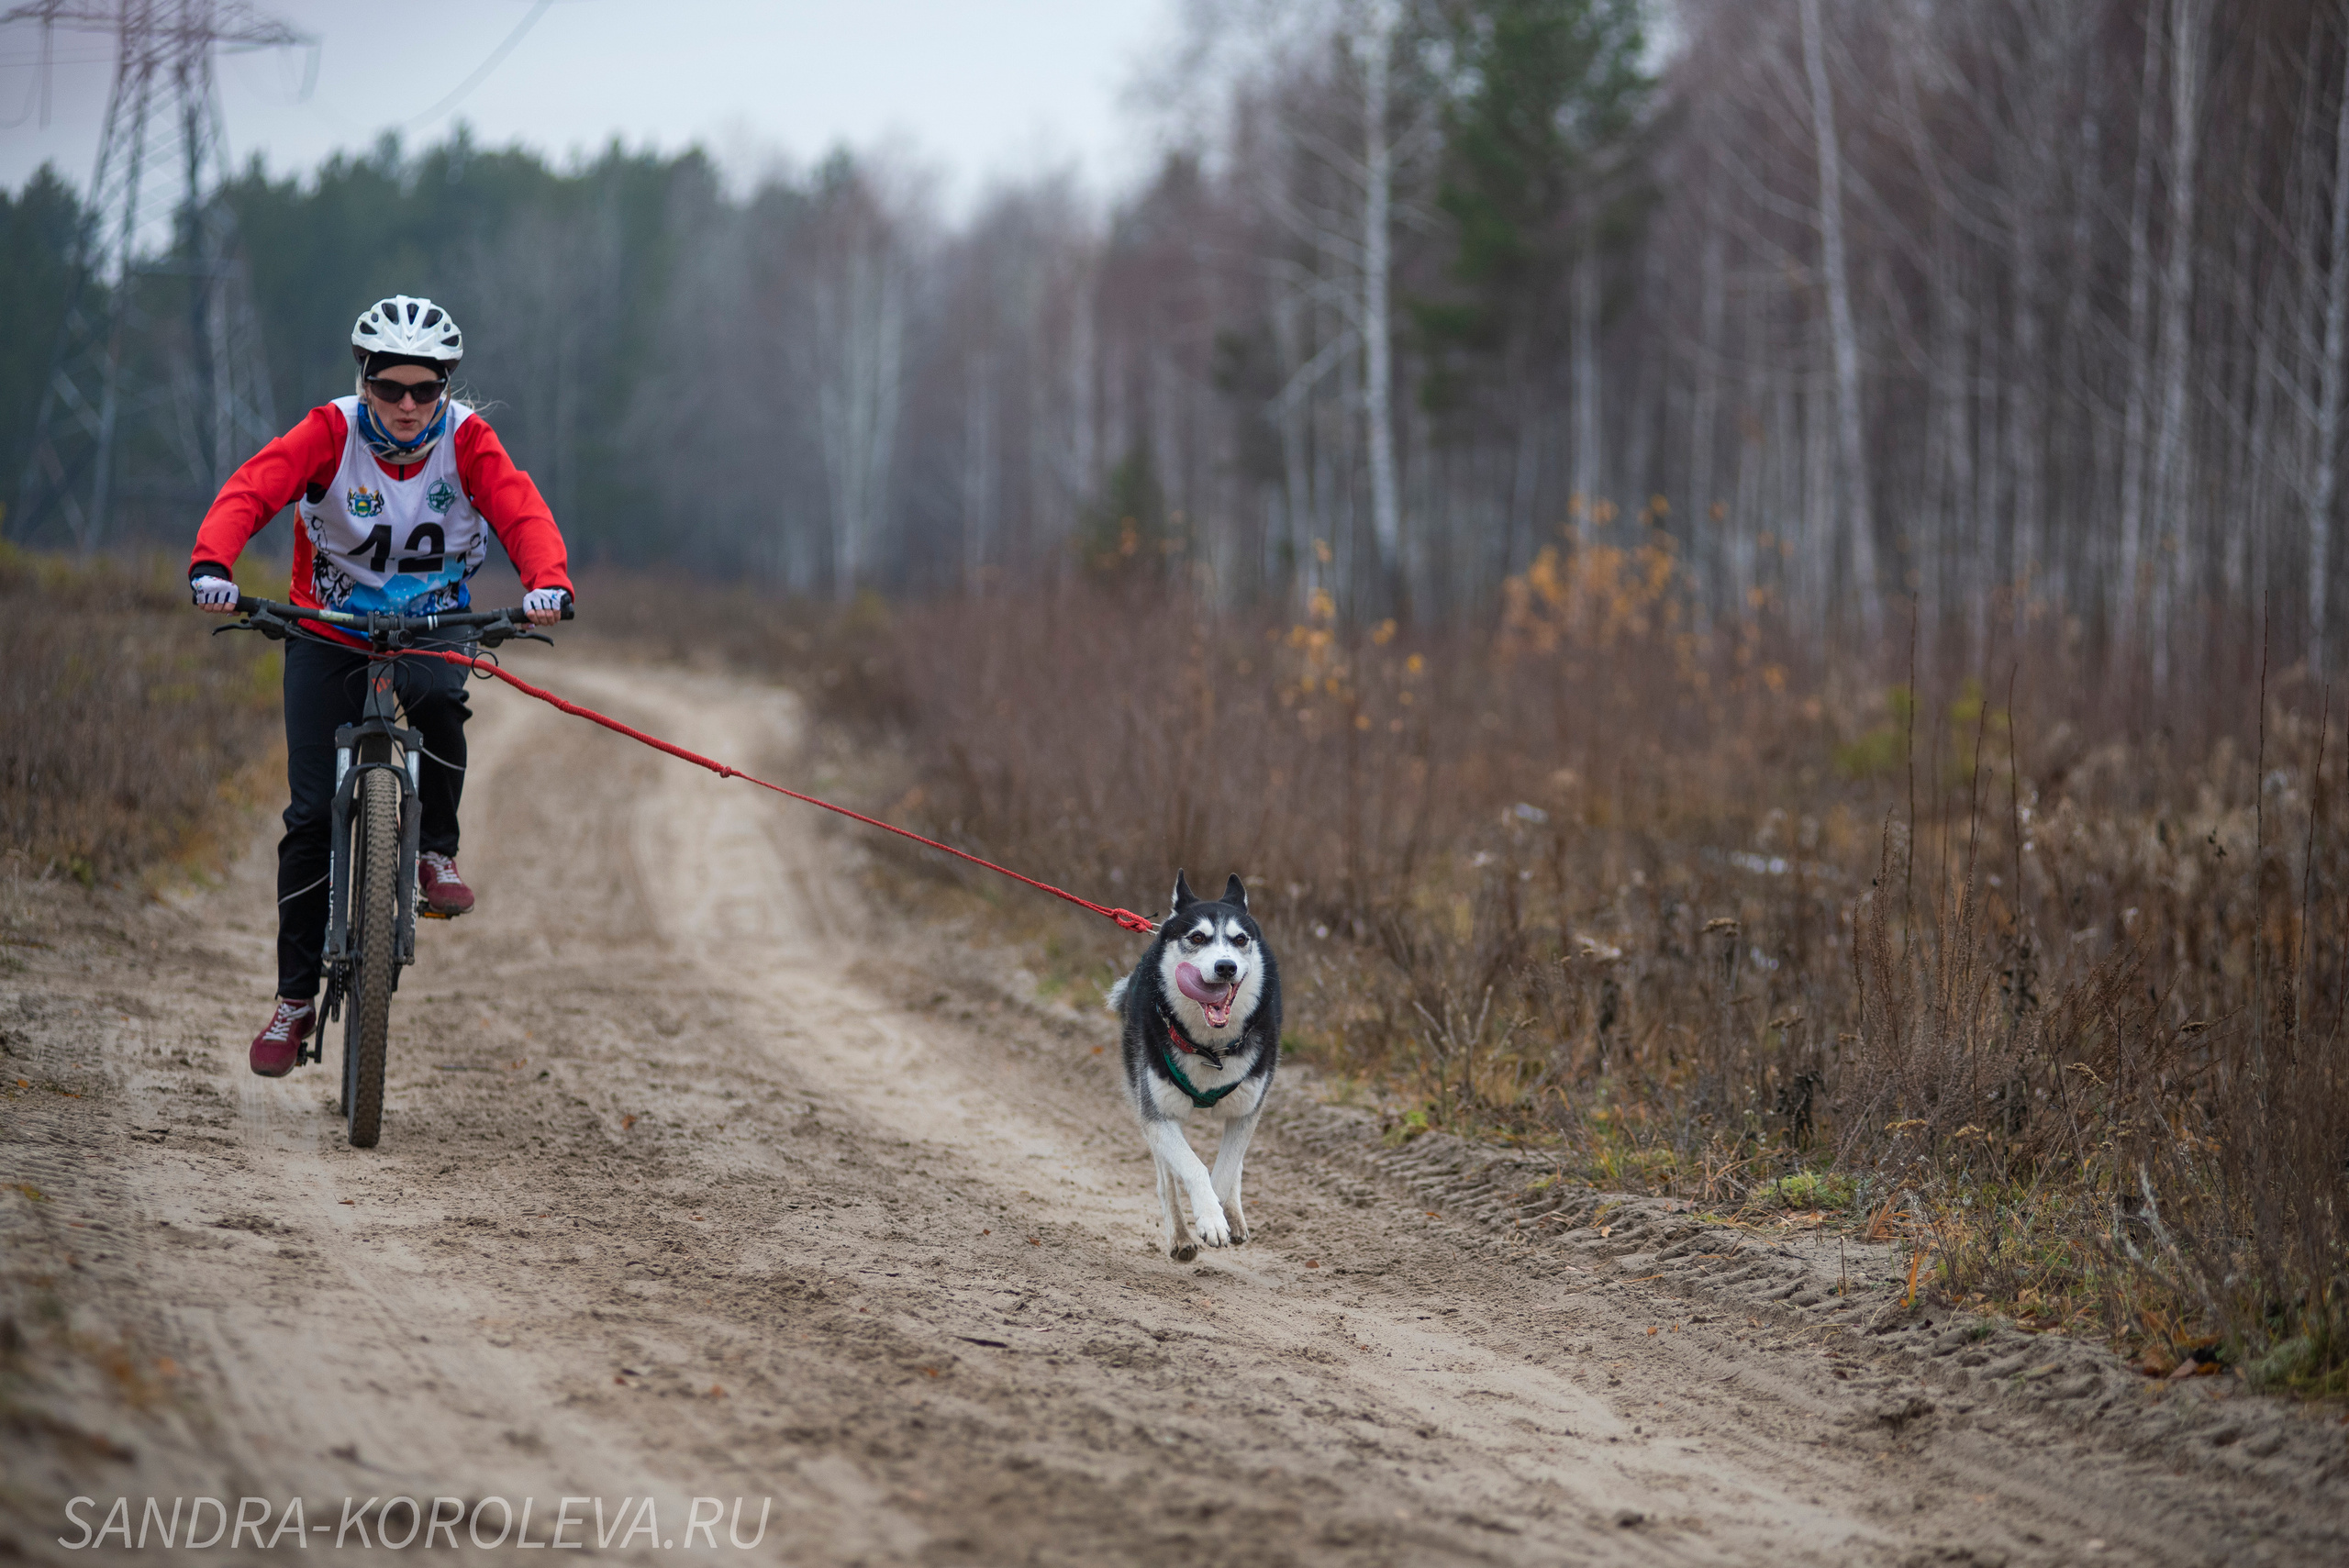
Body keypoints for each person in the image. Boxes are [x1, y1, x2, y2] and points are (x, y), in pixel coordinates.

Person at [189, 295, 574, 1078]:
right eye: (389, 386)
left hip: (430, 623)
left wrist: (548, 581)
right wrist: (212, 563)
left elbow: (522, 512)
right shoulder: (328, 432)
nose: (406, 404)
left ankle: (435, 853)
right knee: (306, 816)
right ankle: (294, 1001)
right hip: (326, 626)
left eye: (424, 389)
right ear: (363, 379)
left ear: (445, 387)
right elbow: (251, 490)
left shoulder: (468, 442)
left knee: (439, 699)